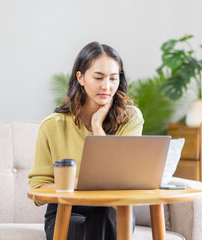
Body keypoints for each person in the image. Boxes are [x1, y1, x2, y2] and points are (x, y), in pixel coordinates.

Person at [28, 42, 144, 240]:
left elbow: (120, 176)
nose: (106, 86)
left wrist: (98, 128)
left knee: (106, 216)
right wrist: (80, 184)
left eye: (113, 78)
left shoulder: (130, 118)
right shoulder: (51, 126)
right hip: (66, 211)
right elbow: (38, 188)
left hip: (113, 210)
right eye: (98, 78)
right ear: (80, 77)